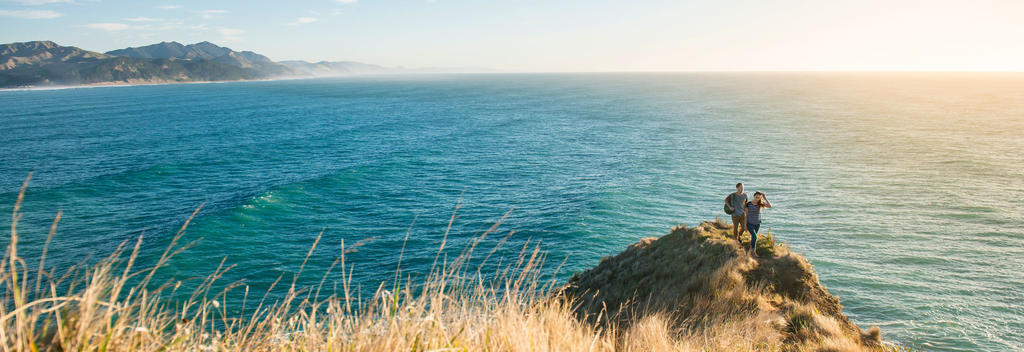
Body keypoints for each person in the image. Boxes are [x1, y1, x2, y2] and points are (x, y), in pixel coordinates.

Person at [745, 191, 772, 257]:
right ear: (754, 196)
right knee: (754, 237)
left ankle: (750, 251)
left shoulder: (760, 204)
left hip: (757, 223)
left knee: (753, 238)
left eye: (758, 197)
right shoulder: (748, 204)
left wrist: (765, 198)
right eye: (756, 197)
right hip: (749, 223)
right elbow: (746, 215)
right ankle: (753, 252)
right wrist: (745, 225)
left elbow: (770, 206)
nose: (757, 198)